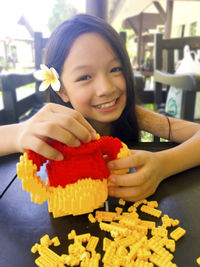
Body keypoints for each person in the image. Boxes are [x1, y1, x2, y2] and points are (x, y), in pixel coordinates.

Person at [1, 14, 200, 202]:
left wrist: (163, 164)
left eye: (115, 69)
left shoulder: (134, 115)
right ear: (62, 90)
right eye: (85, 77)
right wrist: (18, 134)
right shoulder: (54, 128)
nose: (106, 88)